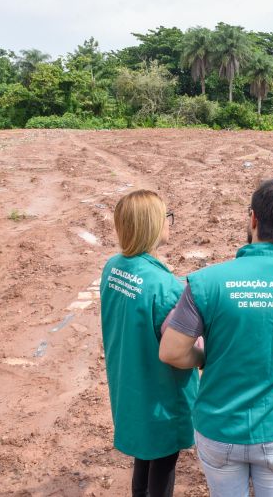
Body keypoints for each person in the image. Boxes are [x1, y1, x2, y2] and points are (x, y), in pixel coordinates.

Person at [159, 178, 273, 497]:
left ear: (253, 218)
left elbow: (172, 352)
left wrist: (204, 356)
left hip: (219, 428)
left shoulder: (205, 283)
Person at [99, 190, 198, 497]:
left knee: (144, 455)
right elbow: (179, 350)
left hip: (130, 383)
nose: (170, 222)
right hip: (161, 395)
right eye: (166, 217)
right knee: (164, 463)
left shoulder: (113, 266)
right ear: (152, 226)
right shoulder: (167, 287)